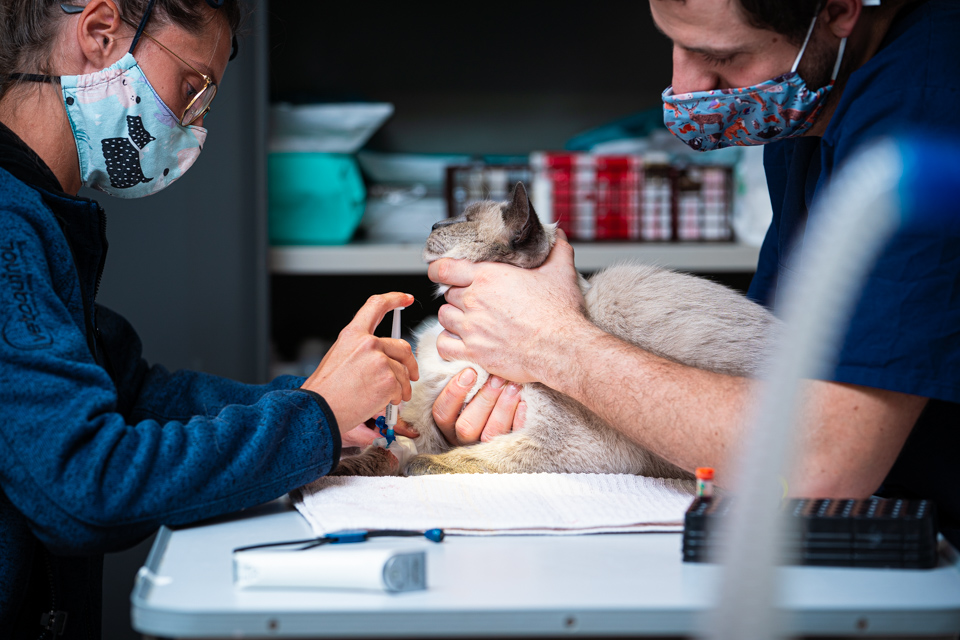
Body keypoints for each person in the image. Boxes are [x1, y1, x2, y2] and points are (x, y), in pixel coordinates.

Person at [428, 0, 960, 546]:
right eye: (675, 43)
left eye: (721, 55)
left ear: (842, 10)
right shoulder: (812, 102)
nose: (682, 87)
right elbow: (768, 385)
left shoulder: (928, 116)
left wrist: (550, 340)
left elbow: (821, 460)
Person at [0, 1, 418, 636]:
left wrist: (325, 411)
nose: (193, 127)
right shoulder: (8, 231)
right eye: (191, 88)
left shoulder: (40, 219)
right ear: (99, 32)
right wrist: (316, 417)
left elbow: (138, 395)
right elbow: (86, 486)